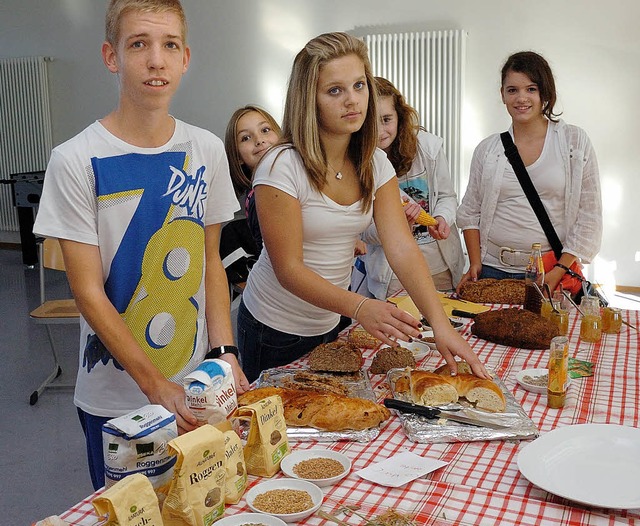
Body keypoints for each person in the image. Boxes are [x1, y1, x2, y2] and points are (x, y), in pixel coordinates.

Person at [33, 0, 249, 491]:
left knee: (206, 504)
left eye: (169, 45)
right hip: (115, 399)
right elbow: (87, 293)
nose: (156, 59)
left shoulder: (206, 150)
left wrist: (225, 352)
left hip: (198, 386)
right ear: (112, 56)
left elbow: (210, 263)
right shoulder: (74, 159)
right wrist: (155, 387)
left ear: (185, 57)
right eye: (139, 45)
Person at [236, 32, 489, 384]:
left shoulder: (374, 163)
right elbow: (288, 269)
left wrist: (441, 325)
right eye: (335, 90)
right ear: (309, 99)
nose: (352, 101)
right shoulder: (281, 166)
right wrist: (359, 306)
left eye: (359, 86)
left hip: (332, 320)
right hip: (274, 329)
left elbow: (400, 246)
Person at [456, 51, 602, 294]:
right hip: (493, 270)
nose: (521, 98)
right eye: (512, 90)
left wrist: (558, 271)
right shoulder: (488, 149)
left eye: (531, 89)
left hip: (552, 270)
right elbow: (470, 212)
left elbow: (589, 216)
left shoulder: (573, 142)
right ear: (502, 95)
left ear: (545, 93)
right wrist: (474, 263)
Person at [361, 77, 465, 299]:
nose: (380, 131)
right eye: (371, 123)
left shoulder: (428, 148)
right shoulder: (358, 164)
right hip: (393, 275)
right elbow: (365, 233)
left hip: (438, 267)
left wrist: (442, 217)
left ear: (400, 116)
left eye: (386, 119)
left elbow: (448, 196)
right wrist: (395, 226)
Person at [224, 105, 281, 253]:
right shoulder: (259, 198)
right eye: (246, 138)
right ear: (238, 158)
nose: (259, 140)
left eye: (265, 130)